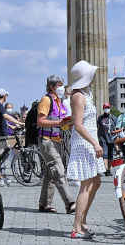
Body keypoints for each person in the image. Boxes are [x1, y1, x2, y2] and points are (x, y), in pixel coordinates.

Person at [65, 60, 103, 239]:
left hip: (89, 140)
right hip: (84, 143)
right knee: (86, 184)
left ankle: (82, 220)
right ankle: (76, 227)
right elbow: (79, 125)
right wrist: (95, 143)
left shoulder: (85, 94)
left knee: (95, 182)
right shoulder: (78, 96)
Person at [36, 74, 76, 214]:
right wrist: (59, 123)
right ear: (52, 87)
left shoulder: (59, 101)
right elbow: (40, 121)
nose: (62, 88)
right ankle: (70, 203)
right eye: (59, 85)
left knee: (50, 173)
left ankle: (44, 203)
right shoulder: (46, 100)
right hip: (47, 140)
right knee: (58, 171)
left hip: (57, 139)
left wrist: (69, 123)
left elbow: (61, 121)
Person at [0, 88, 22, 184]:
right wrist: (18, 122)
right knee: (1, 155)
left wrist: (10, 125)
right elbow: (6, 116)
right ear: (4, 96)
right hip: (0, 135)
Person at [97, 103, 115, 176]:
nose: (106, 109)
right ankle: (106, 170)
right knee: (105, 154)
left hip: (111, 139)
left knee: (110, 155)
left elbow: (117, 127)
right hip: (103, 138)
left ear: (109, 108)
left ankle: (109, 169)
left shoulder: (113, 118)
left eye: (107, 107)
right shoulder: (100, 118)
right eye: (105, 108)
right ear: (103, 108)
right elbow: (97, 126)